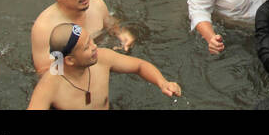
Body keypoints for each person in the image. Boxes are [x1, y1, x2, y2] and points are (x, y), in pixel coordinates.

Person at [28, 23, 180, 109]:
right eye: (87, 47)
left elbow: (139, 65)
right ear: (69, 60)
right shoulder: (50, 85)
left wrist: (162, 82)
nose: (94, 47)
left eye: (91, 40)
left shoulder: (103, 58)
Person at [29, 0, 134, 72]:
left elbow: (110, 24)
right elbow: (44, 72)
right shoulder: (45, 28)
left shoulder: (97, 5)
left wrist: (121, 33)